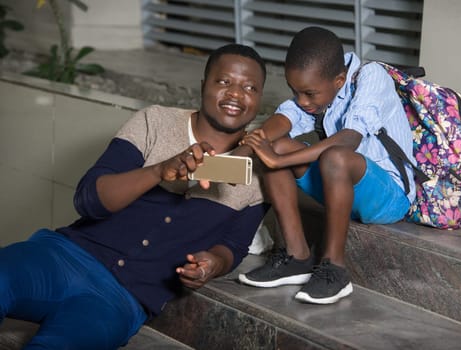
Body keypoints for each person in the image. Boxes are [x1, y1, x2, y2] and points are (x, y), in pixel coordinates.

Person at [0, 43, 267, 349]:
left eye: (250, 87)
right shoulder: (155, 122)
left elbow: (233, 245)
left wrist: (212, 264)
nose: (236, 94)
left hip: (120, 300)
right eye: (224, 82)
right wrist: (159, 171)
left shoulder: (258, 173)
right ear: (203, 84)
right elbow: (89, 199)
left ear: (259, 99)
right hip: (63, 257)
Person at [238, 26, 416, 305]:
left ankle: (334, 269)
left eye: (309, 94)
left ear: (339, 80)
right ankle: (296, 257)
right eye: (295, 92)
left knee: (334, 155)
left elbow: (349, 139)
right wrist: (241, 152)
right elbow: (285, 118)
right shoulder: (318, 87)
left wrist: (279, 161)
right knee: (276, 144)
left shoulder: (371, 77)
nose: (302, 101)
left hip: (389, 197)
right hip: (341, 186)